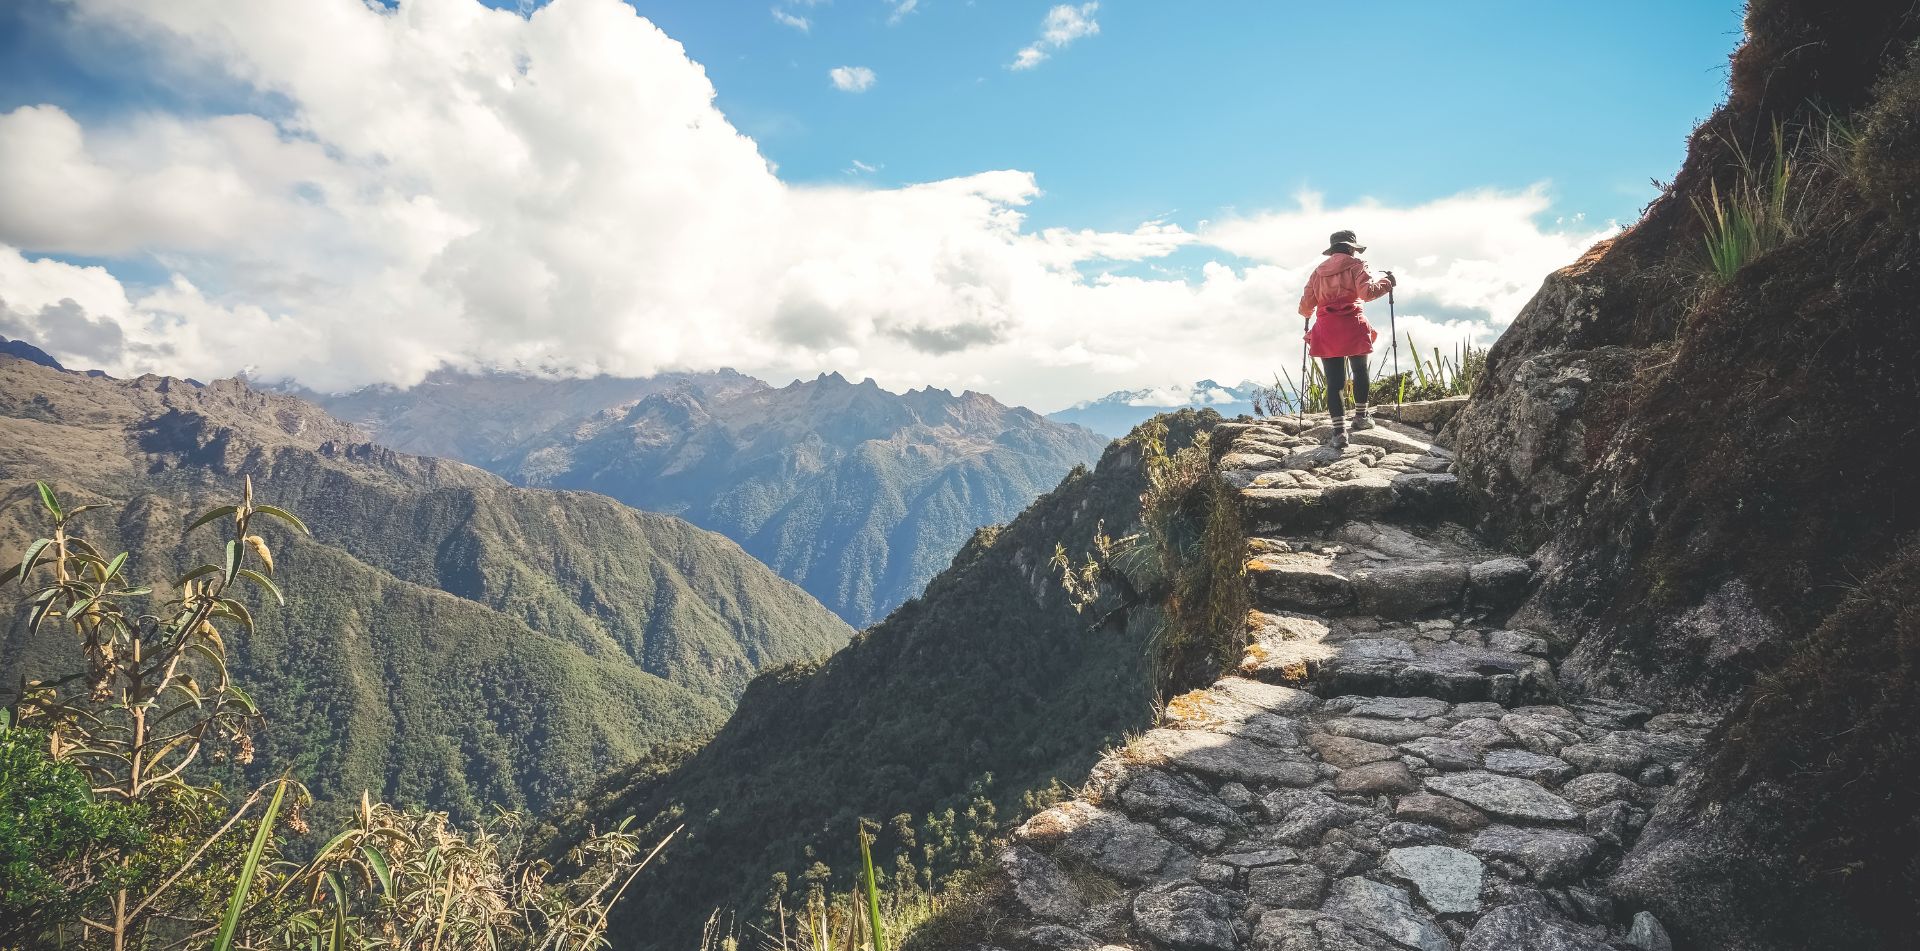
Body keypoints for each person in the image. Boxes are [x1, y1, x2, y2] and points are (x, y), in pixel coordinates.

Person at [1297, 229, 1395, 448]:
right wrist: (1387, 282)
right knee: (1360, 371)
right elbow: (1367, 293)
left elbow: (1306, 305)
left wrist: (1306, 315)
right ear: (1352, 248)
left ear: (1332, 251)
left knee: (1334, 382)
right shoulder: (1357, 265)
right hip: (1353, 325)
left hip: (1327, 328)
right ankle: (1361, 417)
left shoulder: (1317, 272)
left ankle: (1339, 432)